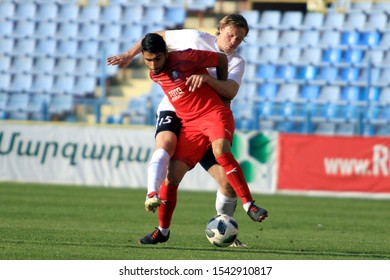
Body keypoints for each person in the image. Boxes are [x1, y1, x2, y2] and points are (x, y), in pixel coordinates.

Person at [107, 14, 263, 246]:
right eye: (230, 34)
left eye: (239, 38)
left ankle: (227, 228)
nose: (233, 41)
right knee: (167, 154)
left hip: (208, 116)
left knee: (227, 182)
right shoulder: (193, 38)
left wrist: (209, 83)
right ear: (219, 29)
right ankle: (158, 215)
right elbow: (155, 38)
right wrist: (129, 54)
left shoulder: (236, 61)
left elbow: (229, 90)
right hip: (175, 112)